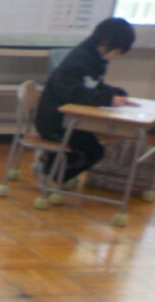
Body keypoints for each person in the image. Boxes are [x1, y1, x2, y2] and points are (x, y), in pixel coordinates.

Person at [35, 17, 137, 186]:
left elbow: (93, 85)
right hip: (54, 122)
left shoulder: (95, 58)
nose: (114, 56)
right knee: (93, 152)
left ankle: (50, 168)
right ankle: (51, 175)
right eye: (116, 51)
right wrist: (108, 99)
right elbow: (75, 94)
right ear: (105, 42)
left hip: (67, 121)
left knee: (92, 148)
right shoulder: (80, 60)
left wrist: (116, 94)